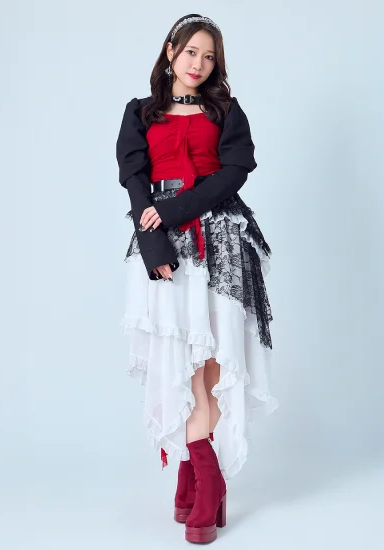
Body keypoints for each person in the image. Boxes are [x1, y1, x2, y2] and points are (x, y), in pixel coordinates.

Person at [116, 13, 278, 544]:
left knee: (206, 368)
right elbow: (134, 178)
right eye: (191, 52)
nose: (199, 64)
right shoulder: (139, 112)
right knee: (181, 362)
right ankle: (203, 480)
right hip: (163, 238)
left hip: (221, 240)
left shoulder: (226, 111)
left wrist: (174, 210)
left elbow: (234, 172)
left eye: (209, 56)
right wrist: (152, 239)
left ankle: (201, 484)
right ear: (171, 51)